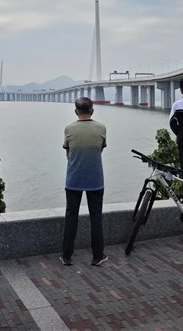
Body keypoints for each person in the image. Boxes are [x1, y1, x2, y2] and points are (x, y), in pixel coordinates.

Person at [60, 97, 108, 267]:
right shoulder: (101, 128)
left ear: (76, 111)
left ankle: (66, 256)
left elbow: (68, 153)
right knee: (96, 217)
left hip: (74, 179)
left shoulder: (69, 129)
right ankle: (97, 256)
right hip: (95, 179)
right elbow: (100, 149)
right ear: (92, 111)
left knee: (71, 216)